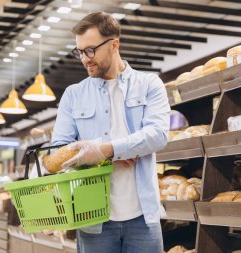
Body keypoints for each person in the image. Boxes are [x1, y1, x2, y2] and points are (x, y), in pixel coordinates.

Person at [51, 12, 170, 253]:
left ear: (114, 44)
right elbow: (56, 155)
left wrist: (106, 150)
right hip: (93, 220)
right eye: (80, 52)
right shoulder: (73, 95)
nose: (85, 59)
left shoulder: (149, 84)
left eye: (90, 50)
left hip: (143, 217)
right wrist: (105, 156)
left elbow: (157, 134)